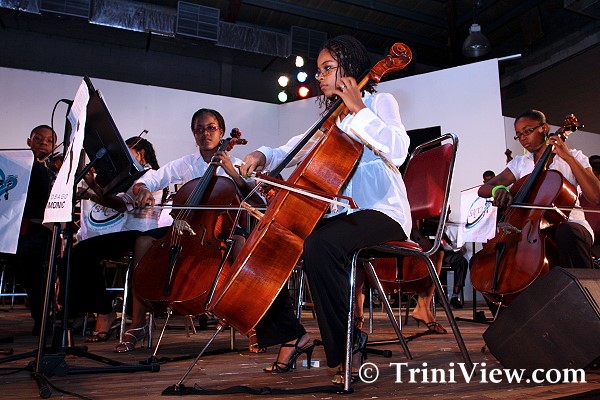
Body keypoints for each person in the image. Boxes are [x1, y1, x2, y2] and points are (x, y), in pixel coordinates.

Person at [240, 35, 434, 384]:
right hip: (344, 217)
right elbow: (295, 148)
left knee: (321, 245)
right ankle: (290, 335)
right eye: (319, 71)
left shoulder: (379, 101)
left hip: (383, 212)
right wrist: (263, 154)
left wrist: (360, 110)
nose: (320, 76)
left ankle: (347, 343)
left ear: (350, 68)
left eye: (328, 68)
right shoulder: (333, 119)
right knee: (274, 242)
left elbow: (398, 150)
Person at [120, 108, 262, 353]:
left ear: (221, 132)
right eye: (199, 129)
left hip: (224, 229)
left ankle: (249, 322)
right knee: (143, 242)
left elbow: (258, 201)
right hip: (186, 229)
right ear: (193, 134)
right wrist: (141, 188)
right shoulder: (184, 163)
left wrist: (232, 173)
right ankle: (138, 323)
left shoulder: (238, 164)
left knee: (241, 244)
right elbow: (150, 180)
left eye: (211, 128)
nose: (205, 133)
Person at [65, 136, 166, 342]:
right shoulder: (131, 178)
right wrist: (95, 187)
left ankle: (104, 311)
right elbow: (116, 201)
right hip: (124, 233)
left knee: (84, 251)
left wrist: (93, 185)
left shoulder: (149, 176)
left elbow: (119, 205)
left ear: (141, 155)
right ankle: (86, 310)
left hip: (141, 235)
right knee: (79, 251)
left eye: (127, 153)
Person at [478, 109, 600, 270]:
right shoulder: (520, 163)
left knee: (566, 232)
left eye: (527, 131)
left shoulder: (575, 156)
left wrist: (567, 157)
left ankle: (584, 285)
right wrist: (498, 190)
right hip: (530, 231)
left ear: (545, 128)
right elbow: (484, 189)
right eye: (518, 135)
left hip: (571, 225)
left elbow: (595, 196)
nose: (523, 138)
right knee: (483, 261)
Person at [5, 125, 56, 335]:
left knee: (34, 263)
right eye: (38, 139)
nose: (43, 143)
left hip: (36, 230)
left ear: (54, 147)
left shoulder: (51, 171)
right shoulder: (18, 166)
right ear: (29, 142)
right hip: (14, 228)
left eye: (49, 141)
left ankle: (43, 318)